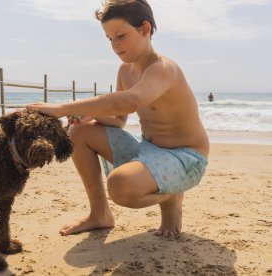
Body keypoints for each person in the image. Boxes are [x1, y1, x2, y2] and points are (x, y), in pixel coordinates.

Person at [27, 0, 209, 238]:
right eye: (109, 39)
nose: (114, 45)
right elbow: (120, 119)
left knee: (120, 186)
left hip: (186, 158)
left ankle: (173, 194)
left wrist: (62, 108)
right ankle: (99, 214)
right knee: (79, 132)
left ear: (145, 29)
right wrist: (92, 116)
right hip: (149, 150)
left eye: (121, 36)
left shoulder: (163, 68)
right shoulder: (125, 70)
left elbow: (130, 100)